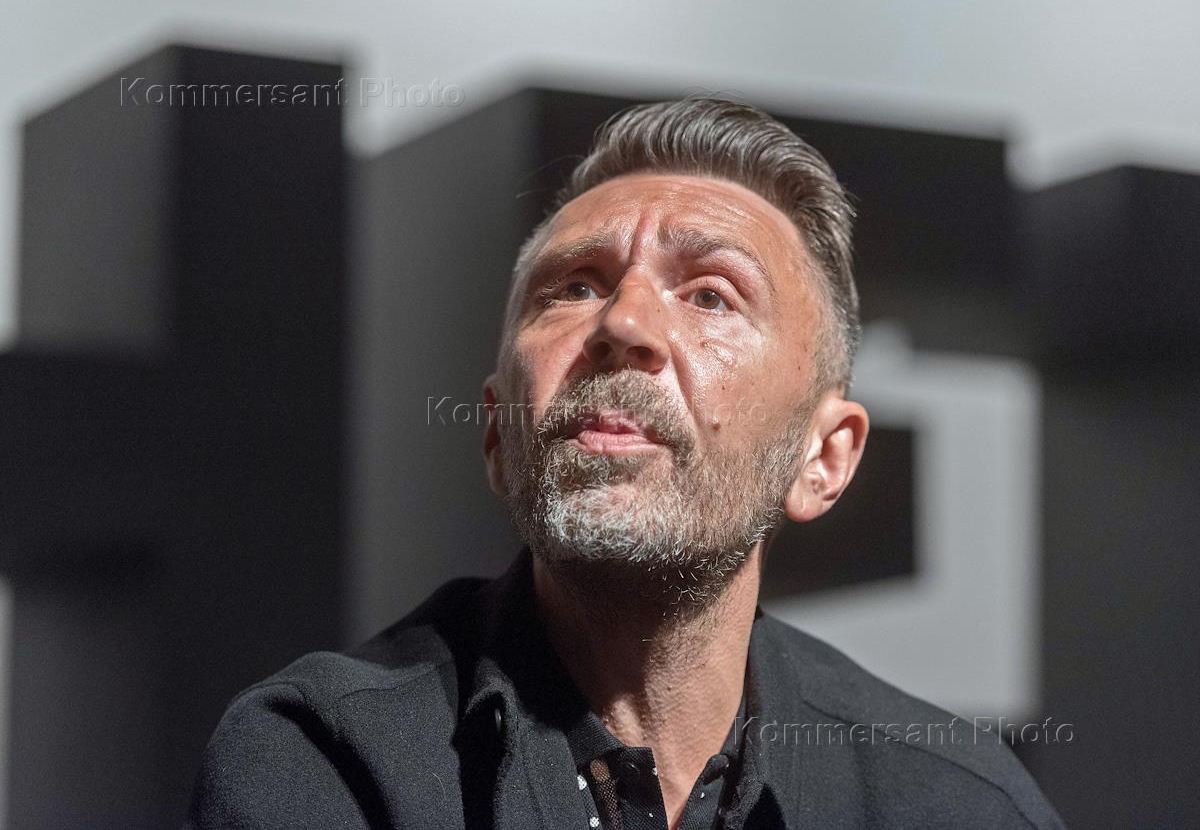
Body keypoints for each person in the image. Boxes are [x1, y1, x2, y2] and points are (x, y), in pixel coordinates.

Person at [186, 98, 1064, 829]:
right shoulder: (326, 762)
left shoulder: (956, 804)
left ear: (823, 459)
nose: (623, 323)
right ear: (498, 436)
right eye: (575, 286)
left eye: (711, 294)